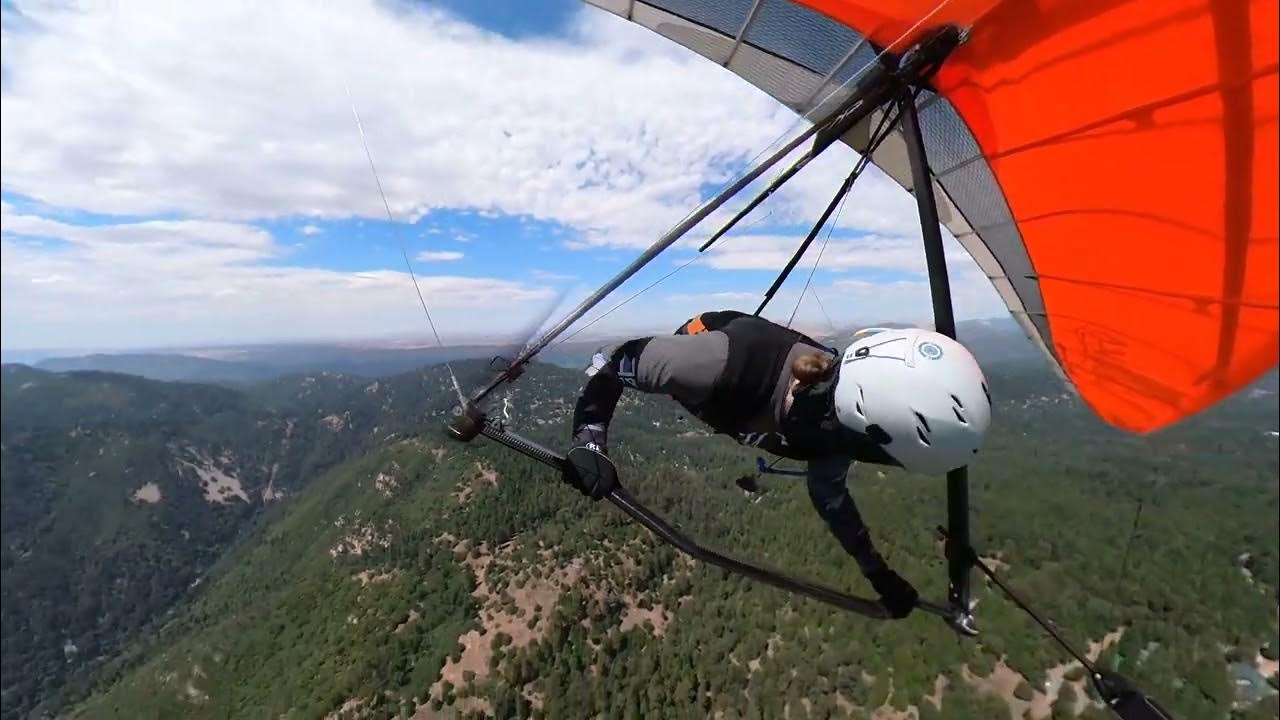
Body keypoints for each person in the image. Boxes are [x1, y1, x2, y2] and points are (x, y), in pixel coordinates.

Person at [563, 310, 991, 619]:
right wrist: (590, 439)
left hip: (771, 402)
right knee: (687, 370)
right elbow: (615, 361)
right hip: (713, 348)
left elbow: (832, 502)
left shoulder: (836, 429)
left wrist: (880, 575)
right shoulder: (716, 367)